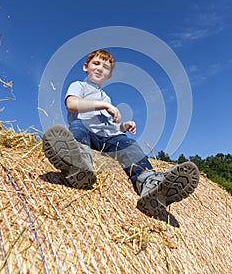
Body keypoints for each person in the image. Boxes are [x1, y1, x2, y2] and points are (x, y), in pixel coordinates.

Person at [43, 49, 199, 217]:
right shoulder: (78, 85)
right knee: (79, 126)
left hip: (106, 136)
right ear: (85, 67)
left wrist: (123, 126)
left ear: (109, 76)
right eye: (96, 64)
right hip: (85, 131)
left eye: (106, 67)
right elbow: (71, 104)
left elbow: (108, 126)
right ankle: (80, 165)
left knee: (128, 144)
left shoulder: (106, 97)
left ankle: (149, 184)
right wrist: (103, 106)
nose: (100, 68)